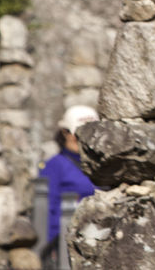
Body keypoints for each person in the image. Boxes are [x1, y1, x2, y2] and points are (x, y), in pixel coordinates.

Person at [39, 105, 98, 249]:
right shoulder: (54, 166)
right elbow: (46, 210)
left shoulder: (106, 166)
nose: (83, 139)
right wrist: (51, 247)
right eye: (77, 133)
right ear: (65, 133)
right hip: (67, 243)